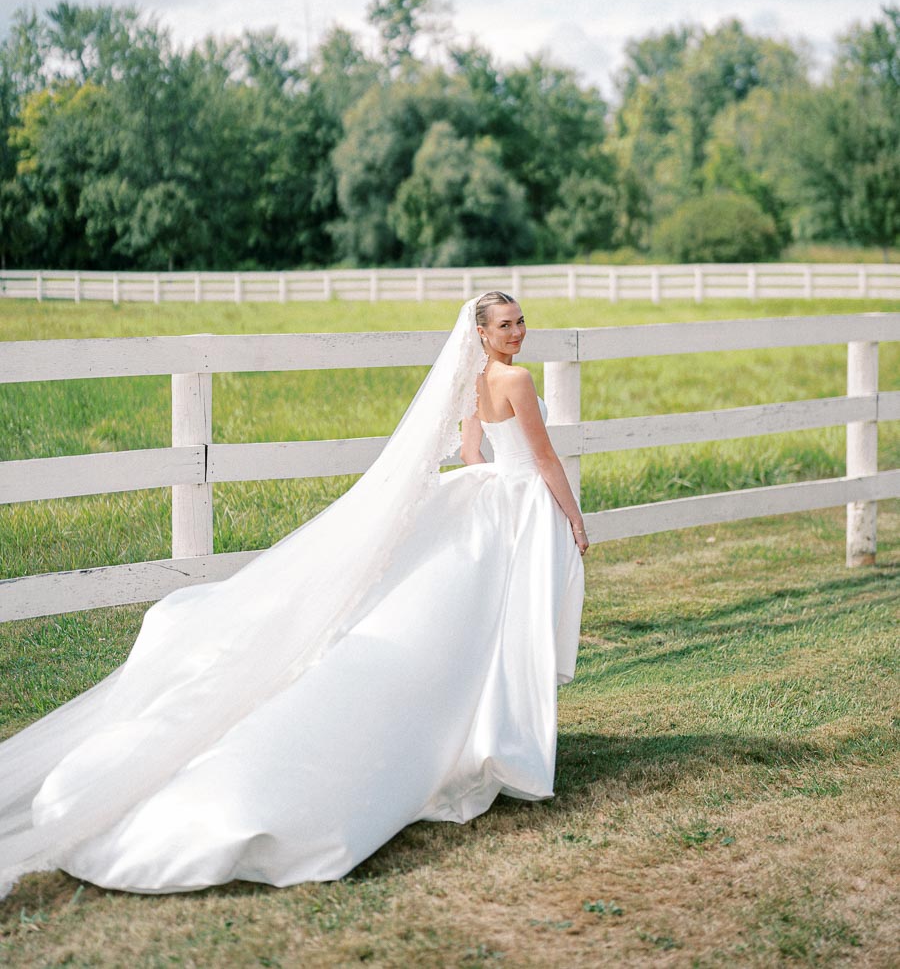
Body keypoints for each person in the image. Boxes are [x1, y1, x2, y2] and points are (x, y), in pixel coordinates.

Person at [0, 291, 587, 897]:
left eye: (521, 322)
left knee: (471, 631)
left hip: (488, 496)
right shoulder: (515, 380)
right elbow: (543, 459)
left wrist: (486, 482)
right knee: (495, 629)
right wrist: (573, 519)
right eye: (506, 325)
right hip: (517, 503)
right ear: (484, 333)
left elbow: (470, 453)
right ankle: (496, 743)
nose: (518, 332)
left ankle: (484, 741)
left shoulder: (475, 379)